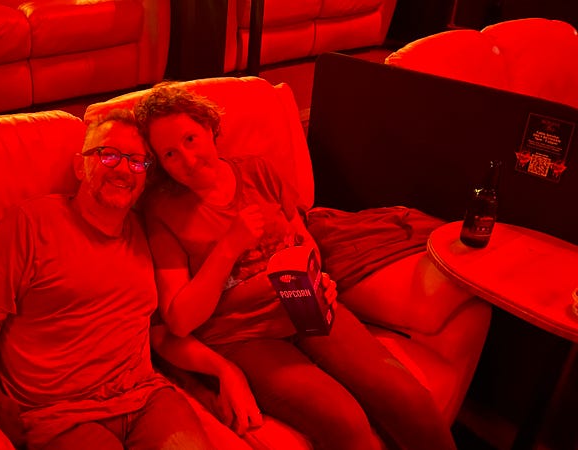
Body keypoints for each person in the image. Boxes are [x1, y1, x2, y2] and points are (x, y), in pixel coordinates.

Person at [134, 82, 459, 450]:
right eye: (170, 154)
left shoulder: (257, 171)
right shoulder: (163, 211)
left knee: (407, 397)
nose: (188, 160)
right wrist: (228, 248)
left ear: (209, 127)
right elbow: (179, 320)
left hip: (304, 305)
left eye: (190, 139)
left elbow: (305, 241)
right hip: (242, 336)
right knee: (345, 420)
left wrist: (318, 278)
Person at [0, 109, 214, 450]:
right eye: (109, 154)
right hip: (58, 416)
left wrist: (224, 372)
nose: (123, 169)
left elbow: (162, 330)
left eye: (136, 162)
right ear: (79, 166)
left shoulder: (146, 232)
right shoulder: (31, 223)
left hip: (145, 399)